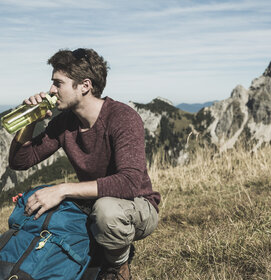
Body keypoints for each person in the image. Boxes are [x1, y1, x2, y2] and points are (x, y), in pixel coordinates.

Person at [8, 48, 160, 280]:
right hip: (94, 203)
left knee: (106, 211)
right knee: (40, 203)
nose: (51, 90)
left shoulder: (122, 117)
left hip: (137, 205)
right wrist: (30, 120)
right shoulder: (65, 123)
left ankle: (118, 265)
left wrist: (63, 189)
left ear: (85, 86)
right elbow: (20, 162)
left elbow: (129, 183)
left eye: (58, 83)